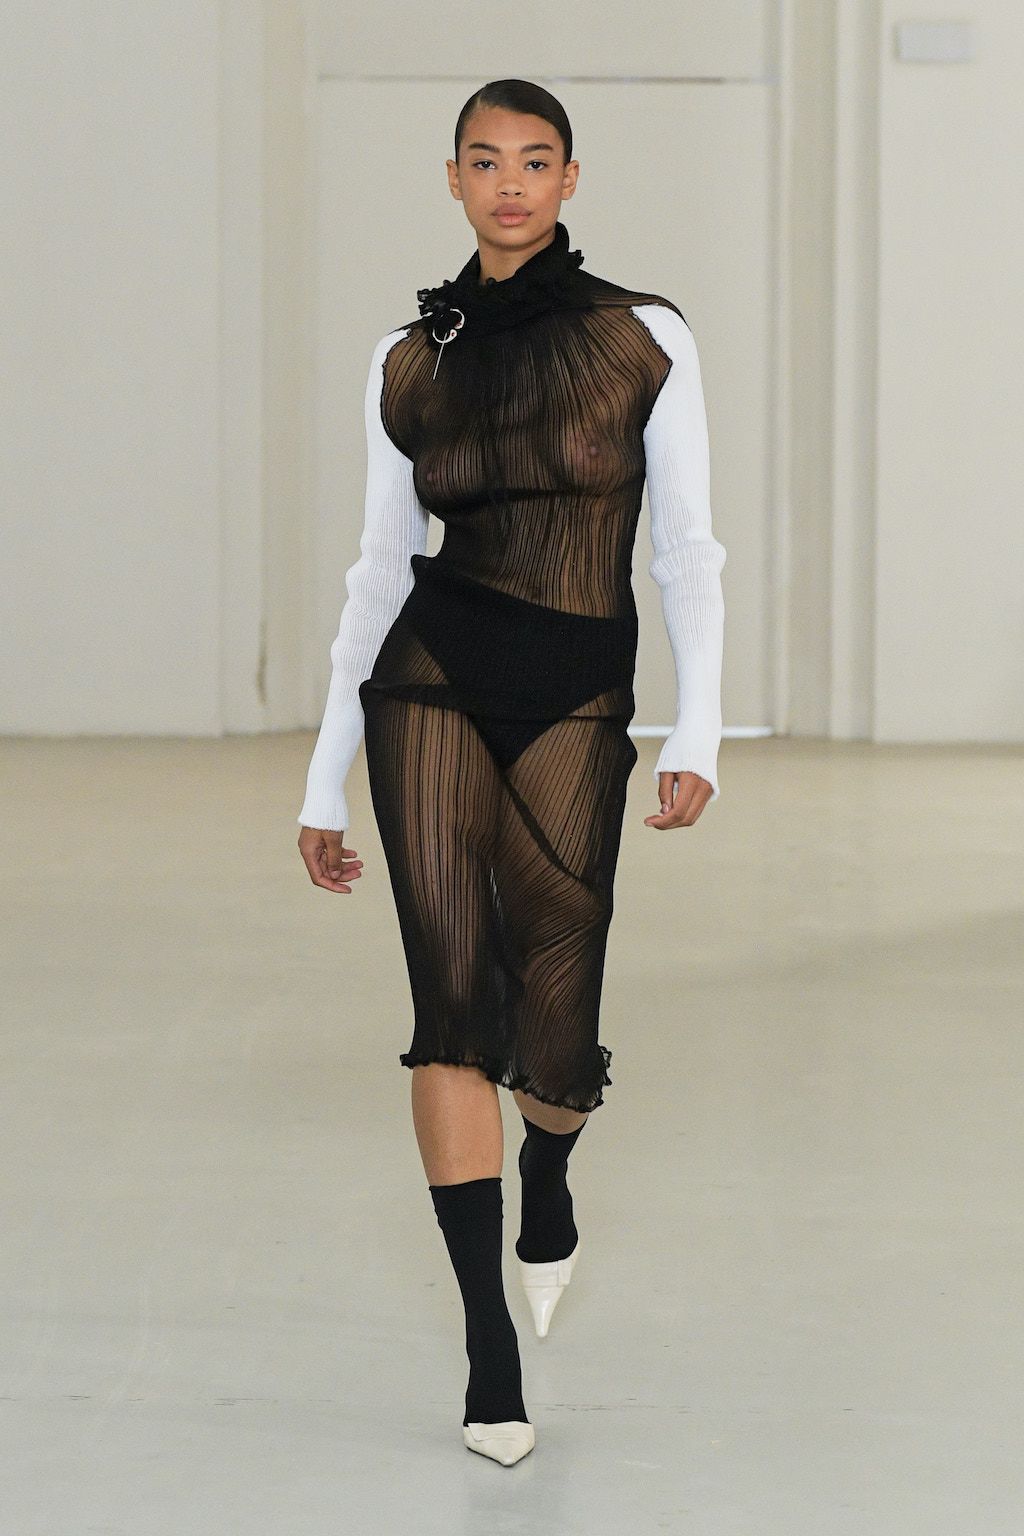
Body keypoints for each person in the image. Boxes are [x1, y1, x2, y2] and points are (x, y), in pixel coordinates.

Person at [296, 78, 726, 1466]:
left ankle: (550, 1162)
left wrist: (700, 730)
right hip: (430, 676)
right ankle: (489, 1347)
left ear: (569, 179)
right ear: (454, 179)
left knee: (557, 1022)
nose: (510, 185)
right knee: (448, 1004)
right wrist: (322, 775)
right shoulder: (407, 359)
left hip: (577, 692)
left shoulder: (642, 336)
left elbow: (686, 549)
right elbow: (378, 568)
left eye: (535, 162)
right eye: (485, 162)